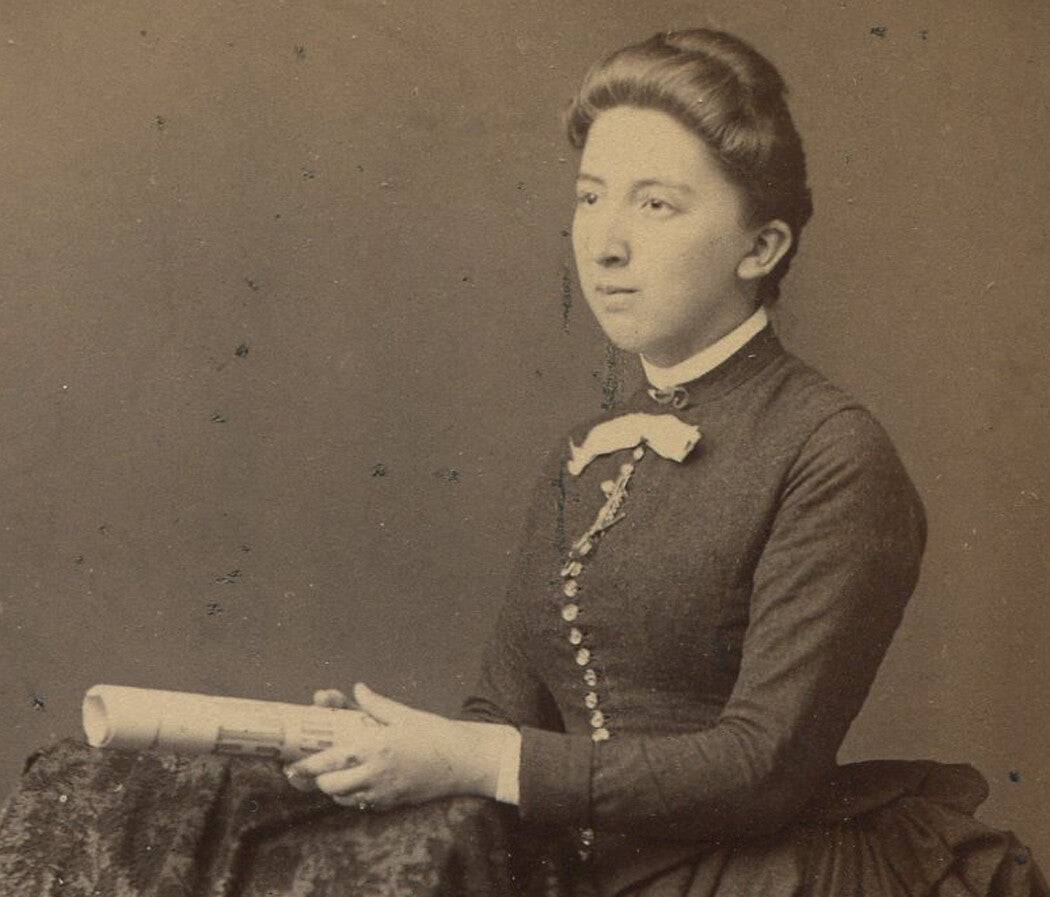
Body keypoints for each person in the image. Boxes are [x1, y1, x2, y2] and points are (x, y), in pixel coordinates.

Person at [285, 28, 1048, 897]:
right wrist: (384, 748)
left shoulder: (832, 451)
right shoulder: (582, 457)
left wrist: (473, 756)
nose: (604, 243)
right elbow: (502, 713)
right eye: (591, 197)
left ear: (761, 248)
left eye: (655, 205)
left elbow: (762, 767)